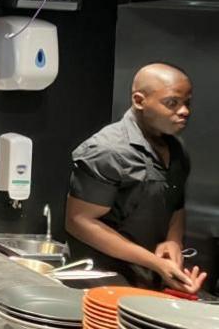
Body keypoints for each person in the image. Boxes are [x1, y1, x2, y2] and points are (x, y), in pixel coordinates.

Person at [66, 63, 207, 294]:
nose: (184, 111)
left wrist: (173, 243)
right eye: (172, 103)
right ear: (140, 101)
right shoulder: (107, 150)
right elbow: (79, 221)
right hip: (100, 280)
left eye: (187, 103)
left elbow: (175, 206)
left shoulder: (177, 150)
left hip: (148, 278)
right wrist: (155, 262)